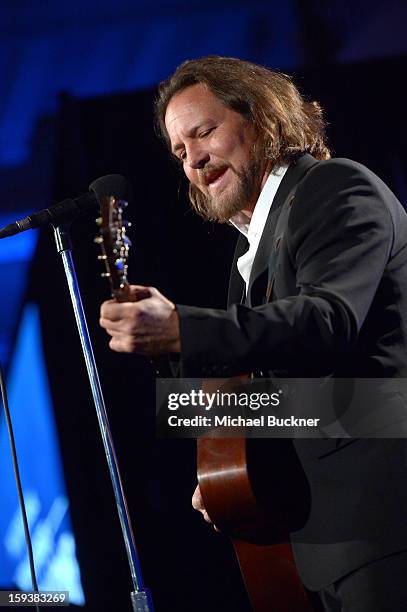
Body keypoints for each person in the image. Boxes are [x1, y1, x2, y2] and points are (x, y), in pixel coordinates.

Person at [99, 56, 407, 611]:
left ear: (262, 118)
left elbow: (325, 324)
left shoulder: (335, 187)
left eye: (203, 132)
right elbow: (276, 394)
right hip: (317, 545)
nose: (191, 158)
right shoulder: (247, 257)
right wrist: (219, 466)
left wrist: (180, 330)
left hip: (386, 527)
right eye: (178, 151)